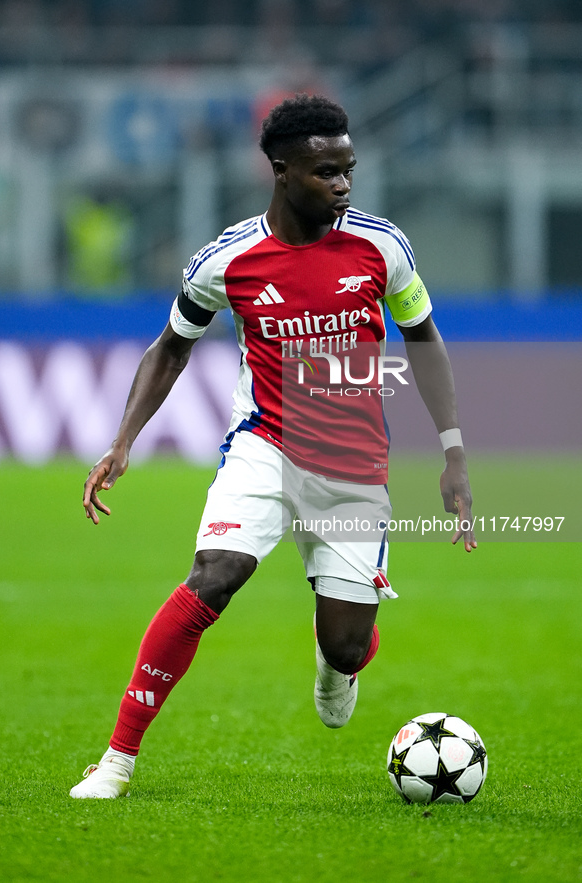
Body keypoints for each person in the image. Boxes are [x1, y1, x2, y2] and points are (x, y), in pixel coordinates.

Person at [70, 94, 476, 799]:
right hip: (264, 447)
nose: (343, 185)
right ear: (282, 171)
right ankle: (116, 760)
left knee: (347, 641)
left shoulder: (382, 246)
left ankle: (335, 664)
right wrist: (122, 441)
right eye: (327, 172)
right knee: (213, 575)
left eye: (348, 170)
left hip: (353, 469)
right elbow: (169, 349)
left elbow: (424, 339)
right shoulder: (226, 260)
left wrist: (452, 450)